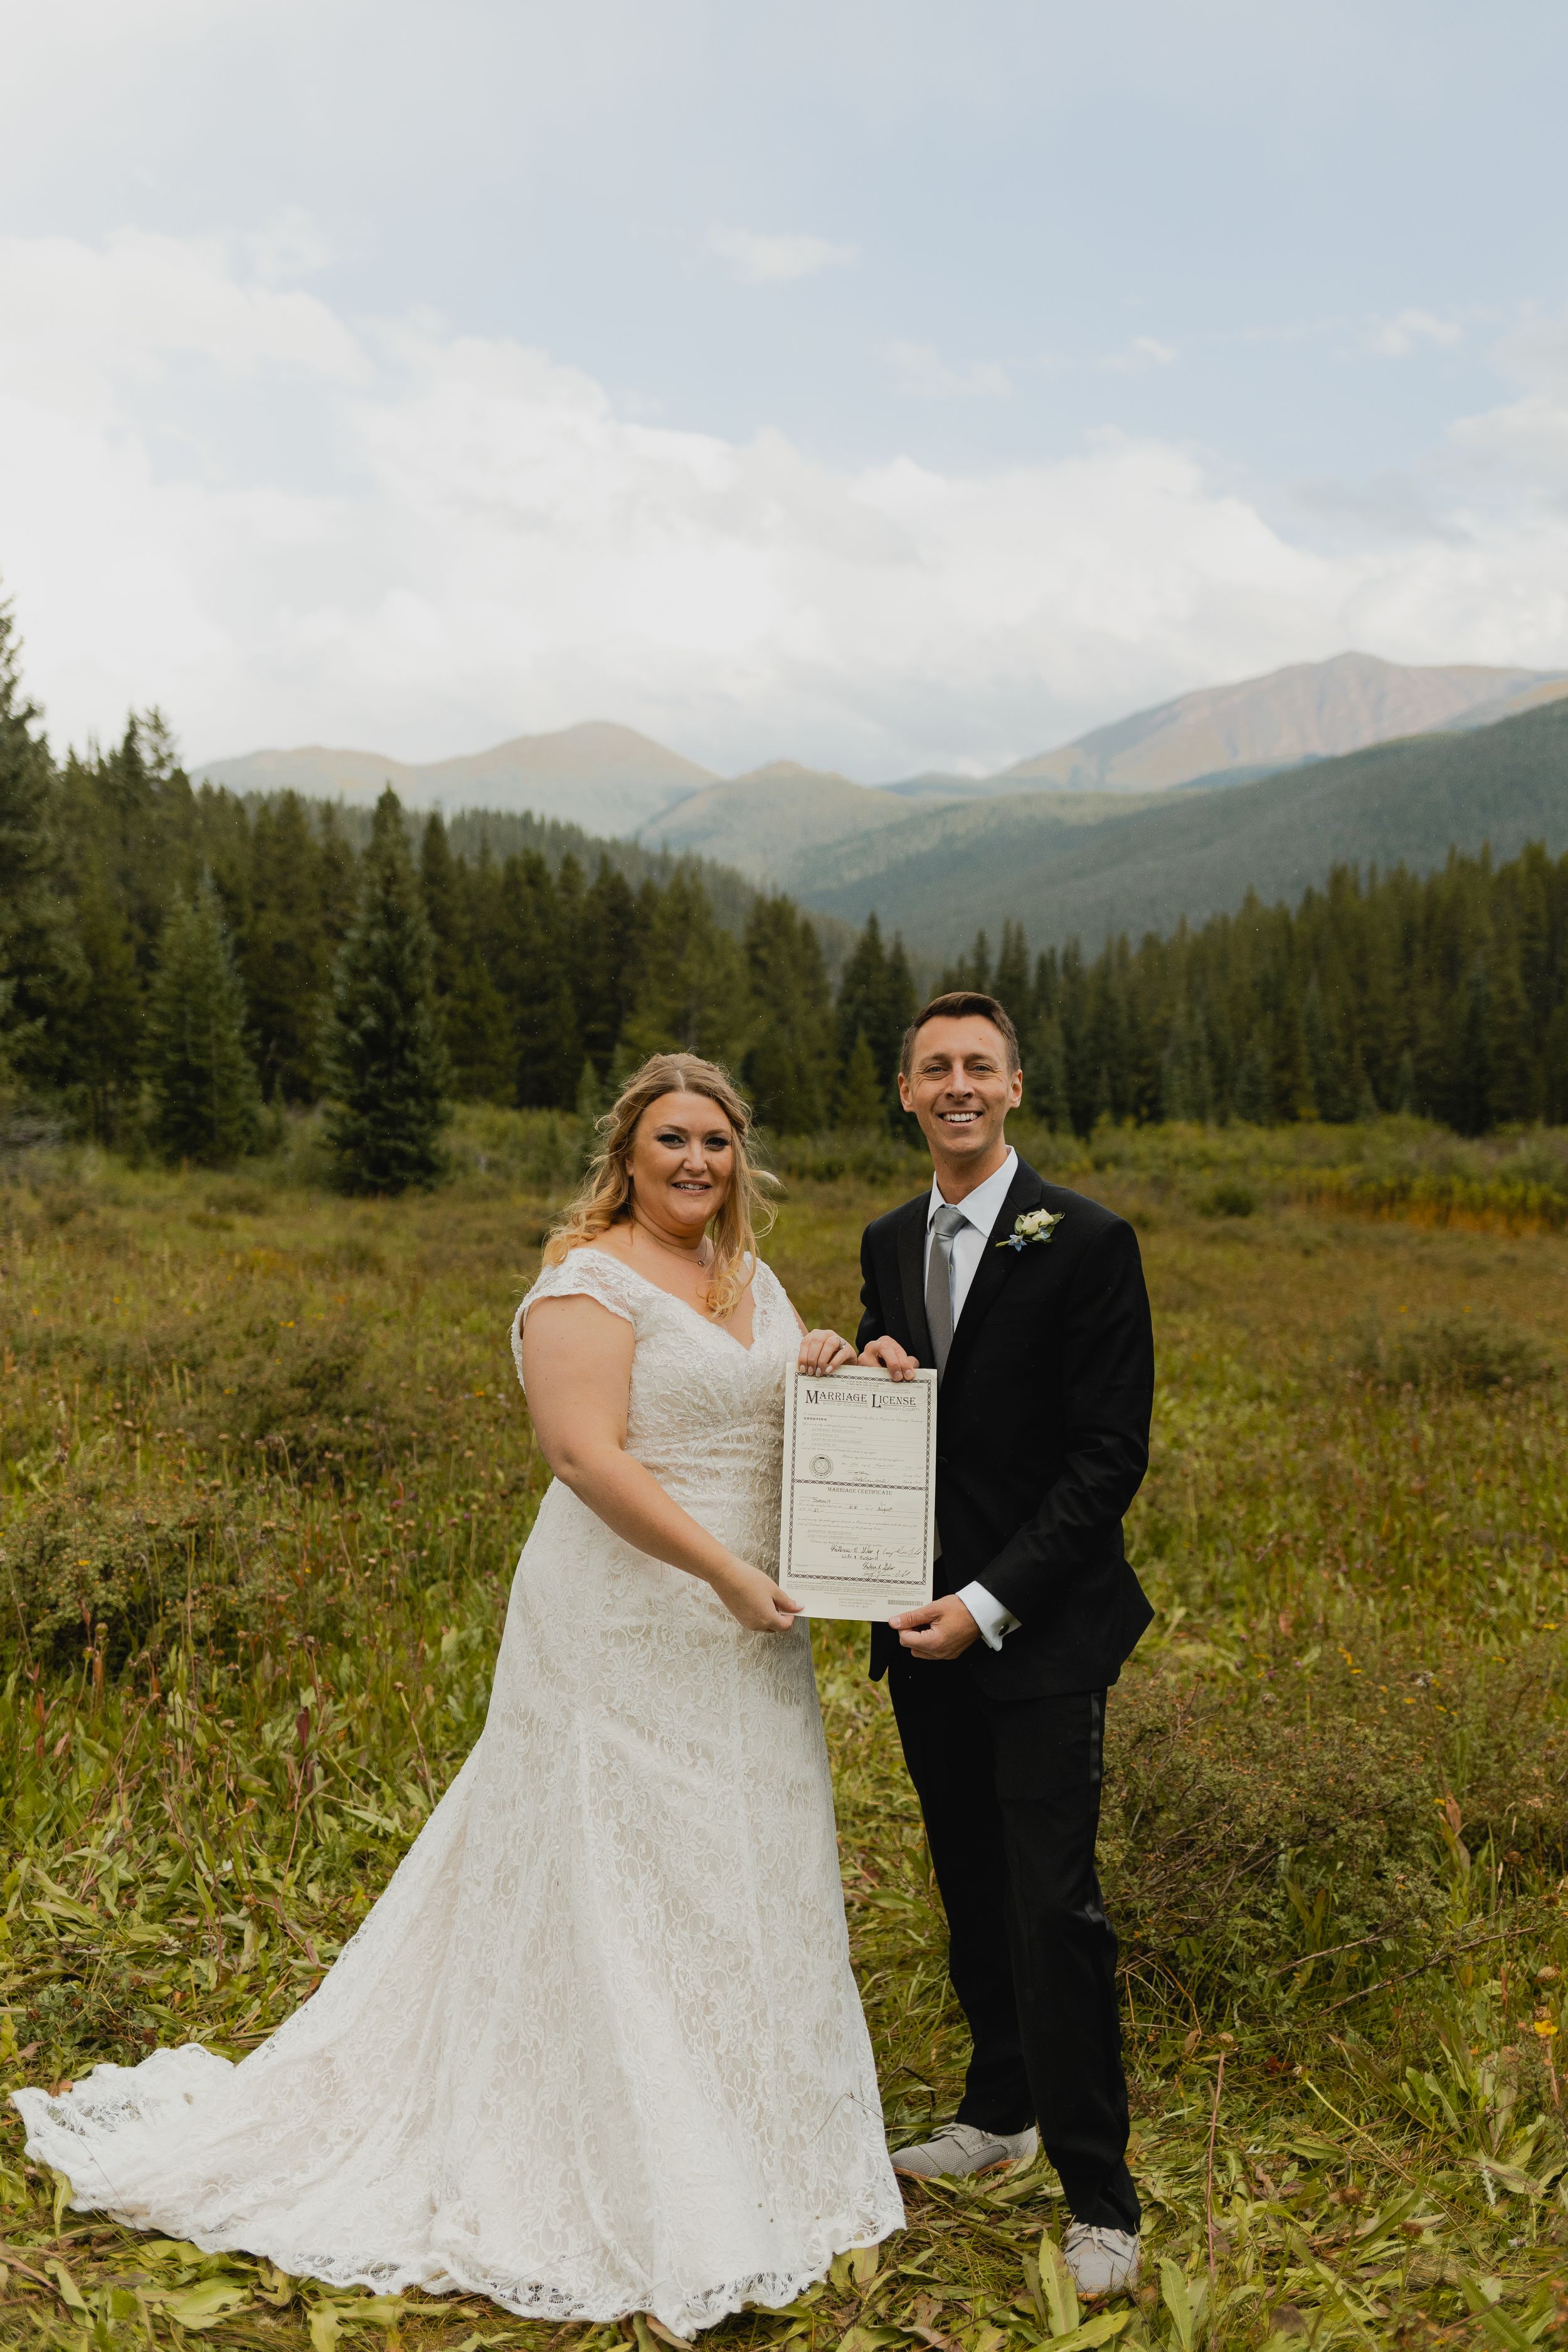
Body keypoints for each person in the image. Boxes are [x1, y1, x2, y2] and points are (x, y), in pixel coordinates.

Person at [14, 1052, 903, 2338]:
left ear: (738, 1155)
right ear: (627, 1152)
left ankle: (747, 2129)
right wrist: (720, 1571)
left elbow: (767, 1422)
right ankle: (633, 2164)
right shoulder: (584, 1282)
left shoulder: (752, 1280)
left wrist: (830, 1363)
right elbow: (580, 1454)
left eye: (715, 1140)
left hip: (744, 1624)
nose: (696, 1161)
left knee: (736, 1858)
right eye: (671, 1140)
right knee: (617, 1859)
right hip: (627, 1611)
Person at [855, 992, 1154, 2299]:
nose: (957, 1085)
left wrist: (986, 1602)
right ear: (905, 1093)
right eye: (935, 1068)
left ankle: (1099, 2194)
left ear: (1015, 1087)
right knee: (967, 1882)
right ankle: (998, 2112)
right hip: (916, 1632)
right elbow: (897, 1413)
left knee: (1052, 1907)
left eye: (979, 1065)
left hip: (1035, 1633)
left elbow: (1105, 1462)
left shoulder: (1088, 1242)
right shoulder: (882, 1240)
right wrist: (841, 1360)